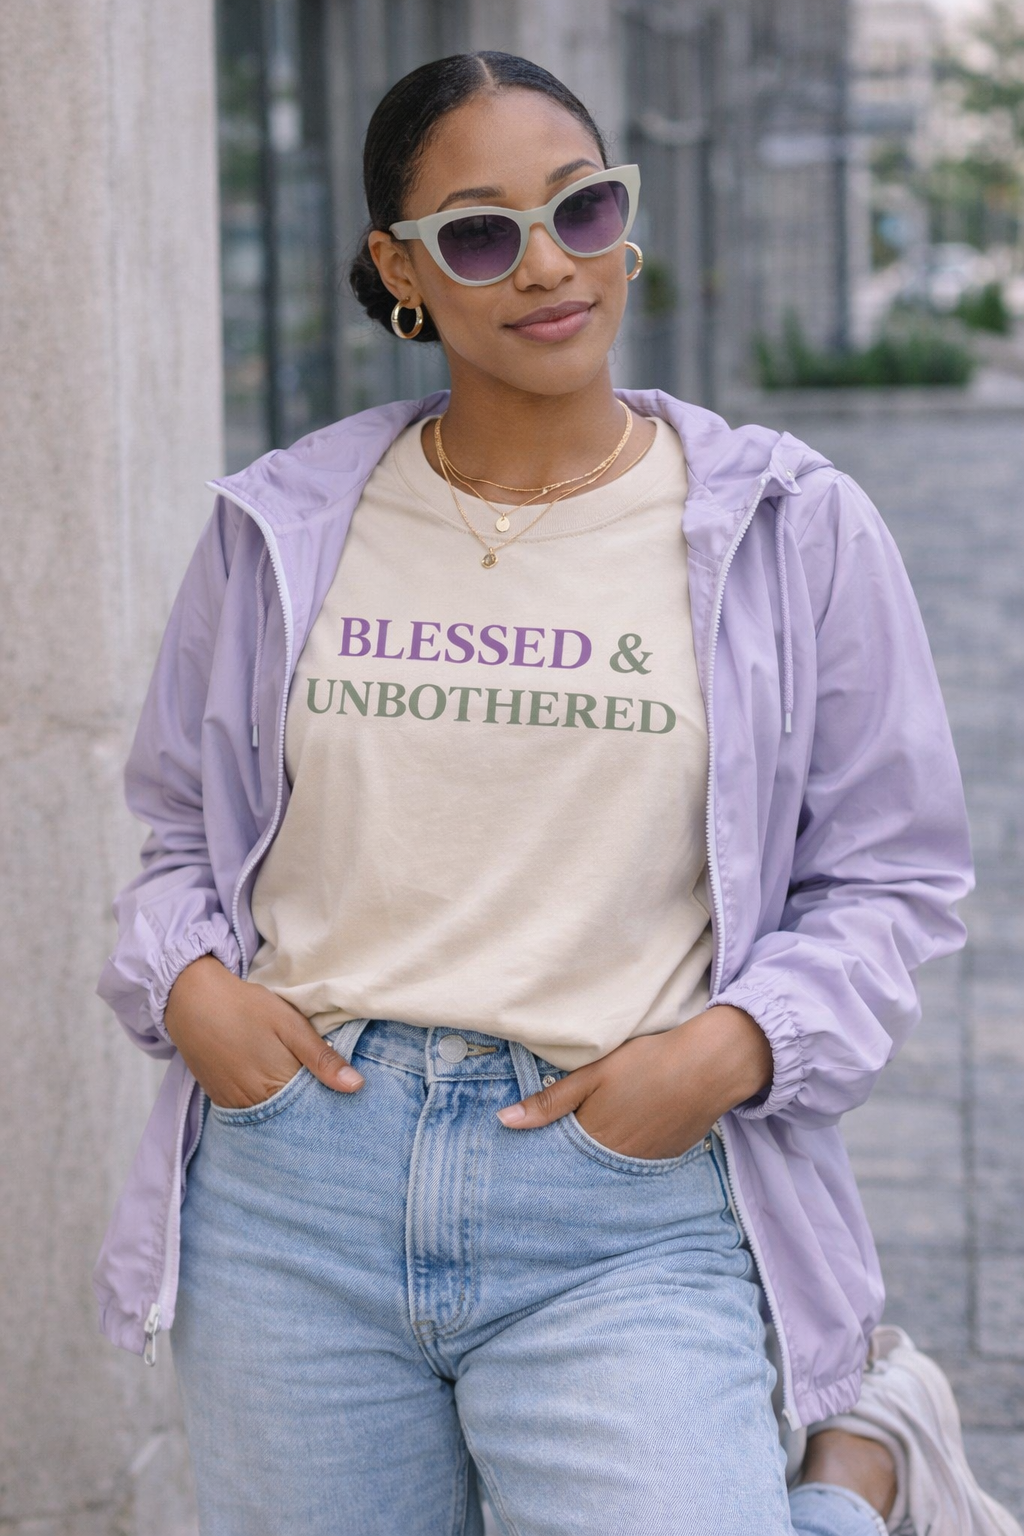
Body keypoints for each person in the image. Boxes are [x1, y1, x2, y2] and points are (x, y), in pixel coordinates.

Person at [94, 51, 1020, 1536]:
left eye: (581, 208)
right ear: (402, 269)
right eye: (480, 233)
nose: (546, 265)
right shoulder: (280, 527)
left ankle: (855, 1472)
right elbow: (179, 836)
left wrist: (726, 1051)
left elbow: (893, 877)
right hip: (297, 1184)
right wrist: (191, 989)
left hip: (621, 1190)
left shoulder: (788, 527)